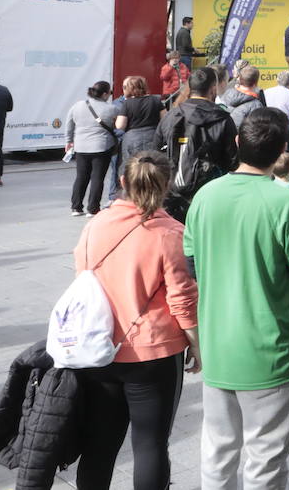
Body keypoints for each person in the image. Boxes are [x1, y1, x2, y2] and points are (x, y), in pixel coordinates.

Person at [184, 108, 289, 490]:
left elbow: (192, 264)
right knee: (265, 458)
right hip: (269, 350)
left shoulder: (205, 196)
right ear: (281, 151)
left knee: (217, 452)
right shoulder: (285, 203)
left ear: (238, 143)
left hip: (217, 347)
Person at [71, 152, 200, 490]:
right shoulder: (171, 232)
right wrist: (197, 345)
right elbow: (182, 298)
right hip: (154, 353)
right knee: (151, 444)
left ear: (123, 182)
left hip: (99, 347)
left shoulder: (95, 224)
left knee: (99, 443)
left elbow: (83, 276)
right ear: (167, 185)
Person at [156, 67, 238, 222]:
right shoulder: (223, 119)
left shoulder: (172, 115)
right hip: (211, 195)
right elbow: (232, 160)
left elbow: (156, 152)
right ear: (213, 89)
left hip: (173, 194)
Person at [66, 81, 119, 217]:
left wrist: (69, 141)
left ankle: (76, 207)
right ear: (105, 93)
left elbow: (69, 124)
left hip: (81, 147)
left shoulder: (77, 105)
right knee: (97, 178)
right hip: (101, 147)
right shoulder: (111, 109)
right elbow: (116, 127)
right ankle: (93, 208)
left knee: (81, 177)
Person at [115, 75, 165, 168]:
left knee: (132, 166)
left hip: (132, 139)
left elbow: (120, 125)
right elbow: (165, 120)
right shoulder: (156, 100)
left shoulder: (127, 103)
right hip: (153, 137)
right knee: (152, 165)